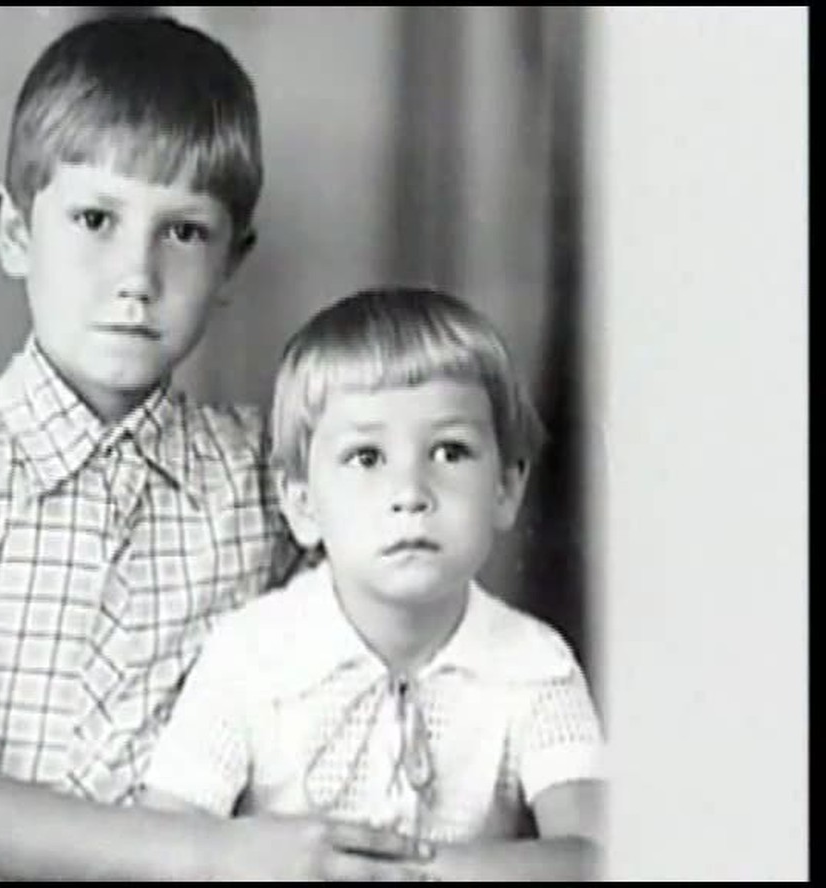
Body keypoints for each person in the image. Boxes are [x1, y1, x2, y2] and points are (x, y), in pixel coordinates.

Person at [0, 14, 431, 880]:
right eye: (96, 218)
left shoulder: (272, 481)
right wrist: (207, 854)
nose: (137, 276)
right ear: (14, 231)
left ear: (232, 263)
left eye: (184, 232)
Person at [141, 287, 608, 881]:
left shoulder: (535, 665)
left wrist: (419, 874)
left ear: (507, 487)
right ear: (301, 503)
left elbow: (599, 856)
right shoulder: (250, 654)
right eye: (366, 457)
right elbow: (165, 842)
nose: (410, 493)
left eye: (450, 451)